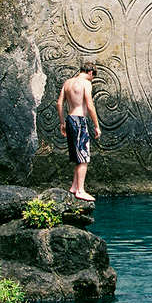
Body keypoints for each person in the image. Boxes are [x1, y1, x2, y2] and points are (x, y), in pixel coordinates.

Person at [57, 62, 101, 201]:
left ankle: (74, 186)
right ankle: (81, 190)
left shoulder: (68, 82)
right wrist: (96, 125)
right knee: (84, 157)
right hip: (79, 120)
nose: (91, 79)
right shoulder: (86, 83)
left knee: (78, 156)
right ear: (90, 73)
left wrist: (62, 123)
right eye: (92, 77)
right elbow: (89, 105)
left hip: (70, 119)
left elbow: (59, 103)